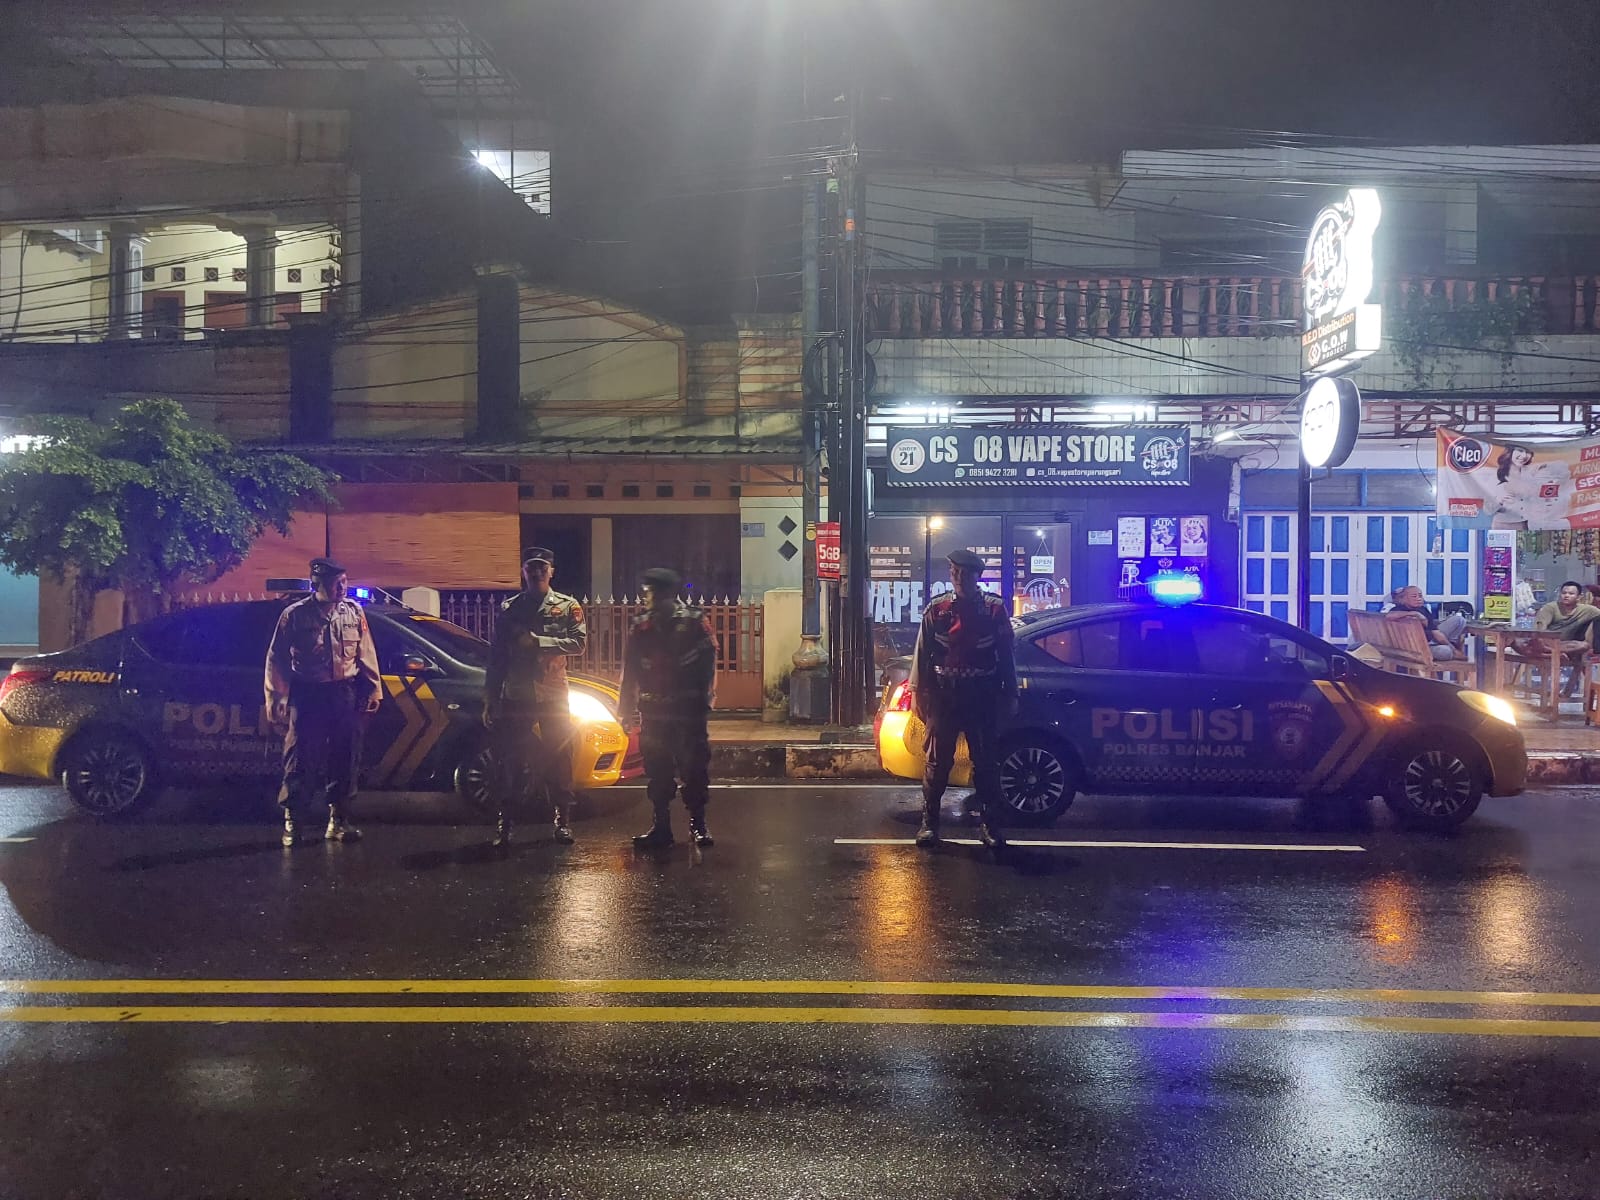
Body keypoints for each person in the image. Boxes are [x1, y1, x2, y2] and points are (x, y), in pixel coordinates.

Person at [265, 556, 383, 848]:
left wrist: (374, 689)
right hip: (309, 694)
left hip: (344, 693)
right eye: (334, 583)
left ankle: (339, 820)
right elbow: (277, 659)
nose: (341, 588)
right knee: (300, 759)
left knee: (346, 757)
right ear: (316, 584)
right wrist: (277, 697)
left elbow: (366, 652)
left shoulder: (353, 612)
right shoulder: (295, 615)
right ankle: (294, 821)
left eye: (343, 582)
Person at [910, 548, 1018, 852]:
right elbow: (922, 653)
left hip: (981, 694)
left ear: (977, 576)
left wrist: (1011, 693)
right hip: (944, 694)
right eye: (954, 572)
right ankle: (929, 823)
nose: (958, 577)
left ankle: (990, 825)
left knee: (985, 763)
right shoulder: (937, 609)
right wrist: (917, 692)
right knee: (936, 763)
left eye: (964, 573)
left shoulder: (994, 610)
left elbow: (1006, 656)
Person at [482, 547, 588, 848]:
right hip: (517, 693)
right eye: (532, 567)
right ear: (523, 572)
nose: (537, 572)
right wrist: (490, 697)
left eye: (543, 567)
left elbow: (578, 643)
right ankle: (506, 823)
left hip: (553, 694)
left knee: (560, 756)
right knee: (510, 759)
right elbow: (497, 657)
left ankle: (562, 820)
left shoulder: (567, 606)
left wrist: (538, 641)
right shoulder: (510, 609)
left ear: (551, 571)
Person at [619, 567, 718, 848]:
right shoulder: (641, 625)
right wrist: (625, 709)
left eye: (650, 592)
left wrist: (704, 701)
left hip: (687, 711)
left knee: (694, 769)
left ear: (665, 593)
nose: (646, 597)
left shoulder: (694, 620)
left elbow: (708, 662)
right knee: (658, 770)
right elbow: (630, 671)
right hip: (654, 712)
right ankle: (661, 827)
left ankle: (698, 825)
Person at [1521, 581, 1600, 696]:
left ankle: (1567, 690)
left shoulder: (1587, 610)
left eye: (1571, 594)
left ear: (1579, 597)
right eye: (1564, 593)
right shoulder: (1550, 608)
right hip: (1546, 643)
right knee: (1537, 640)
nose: (1566, 596)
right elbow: (1539, 631)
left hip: (1565, 646)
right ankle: (1553, 654)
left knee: (1584, 646)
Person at [1385, 584, 1466, 660]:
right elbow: (1388, 616)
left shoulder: (1423, 609)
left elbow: (1435, 632)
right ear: (1404, 599)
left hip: (1430, 640)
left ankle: (1452, 647)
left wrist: (1451, 647)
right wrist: (1414, 613)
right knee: (1445, 651)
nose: (1418, 598)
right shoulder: (1399, 609)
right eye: (1414, 596)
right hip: (1417, 648)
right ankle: (1452, 651)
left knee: (1459, 620)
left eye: (1420, 596)